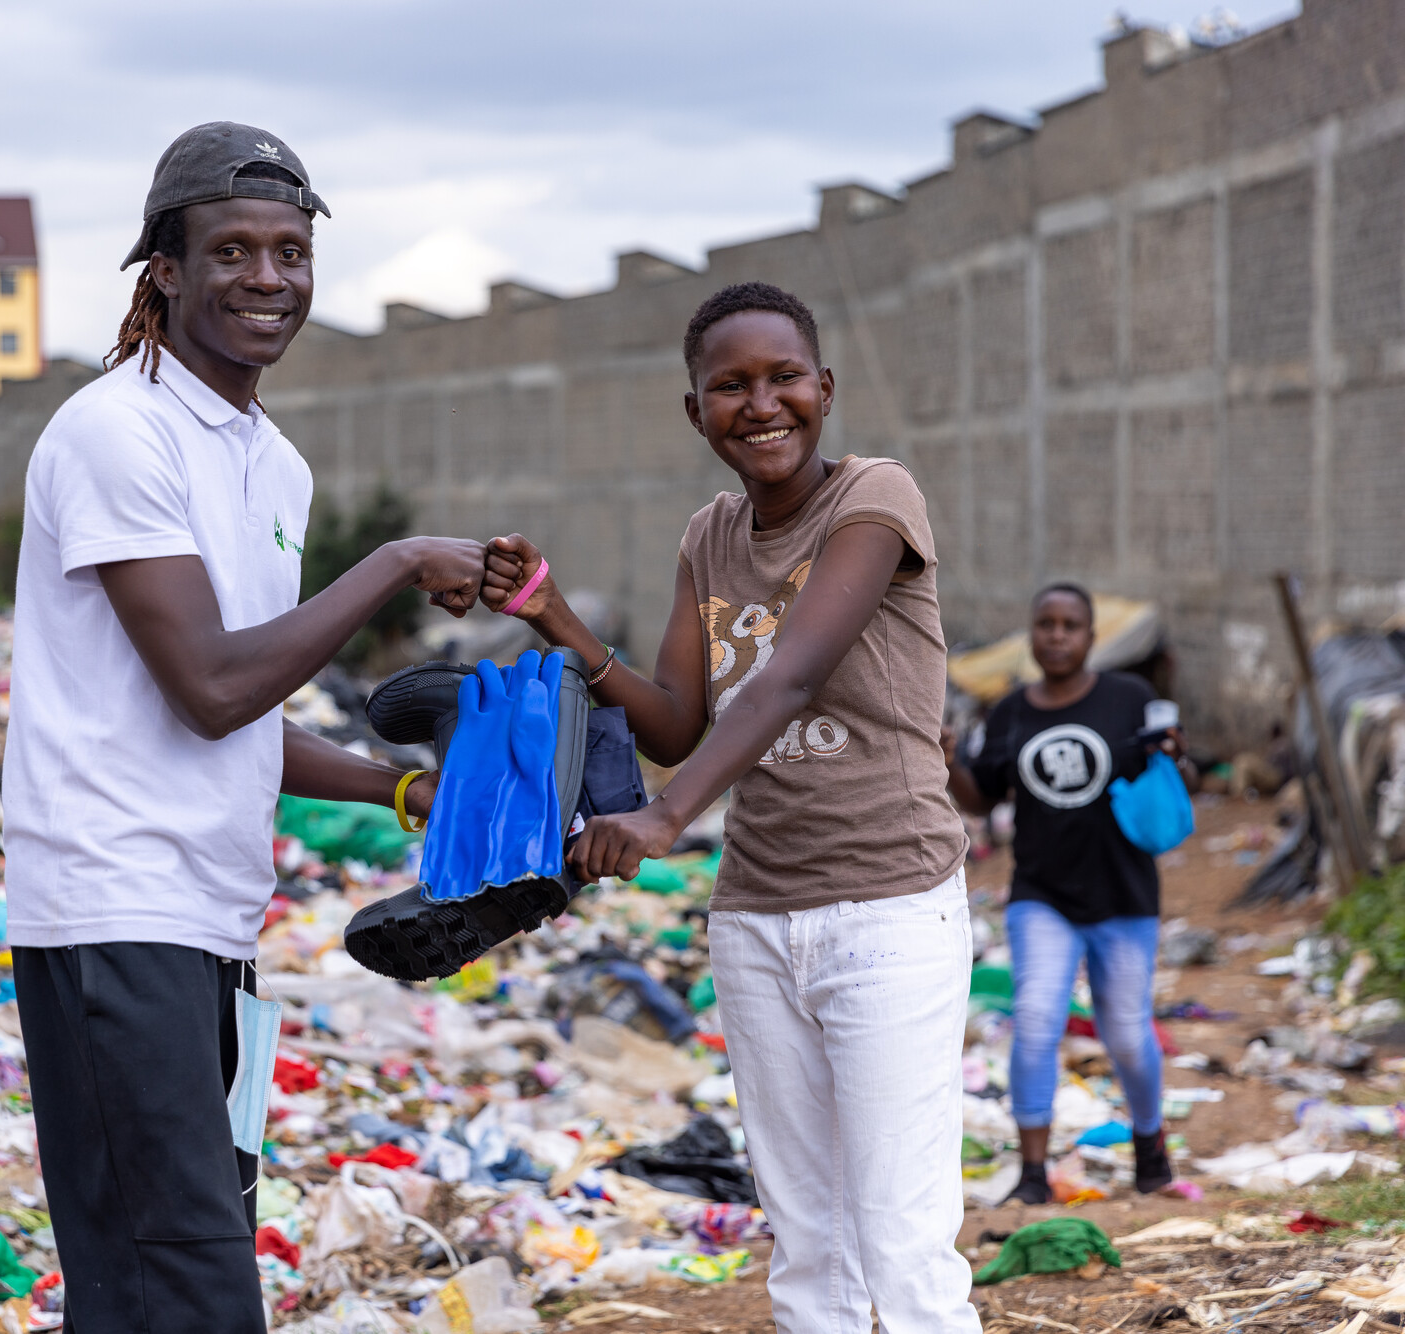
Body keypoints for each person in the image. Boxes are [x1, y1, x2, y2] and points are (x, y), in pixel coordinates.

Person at [2, 122, 487, 1333]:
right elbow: (210, 686)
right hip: (113, 909)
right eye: (232, 250)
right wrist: (395, 563)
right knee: (192, 1280)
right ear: (161, 269)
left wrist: (403, 791)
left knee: (148, 1278)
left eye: (290, 251)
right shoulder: (118, 433)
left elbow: (244, 715)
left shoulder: (275, 465)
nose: (268, 278)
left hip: (207, 922)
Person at [486, 282, 980, 1334]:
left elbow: (786, 677)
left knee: (899, 1240)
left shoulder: (873, 499)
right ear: (694, 410)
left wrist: (663, 819)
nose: (761, 404)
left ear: (824, 389)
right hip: (755, 918)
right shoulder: (708, 536)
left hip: (889, 909)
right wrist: (551, 614)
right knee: (807, 1244)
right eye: (729, 385)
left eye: (783, 378)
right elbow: (673, 719)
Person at [942, 583, 1196, 1203]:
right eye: (1046, 624)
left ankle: (1149, 1150)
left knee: (1128, 1034)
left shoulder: (1129, 699)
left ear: (1090, 636)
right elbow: (984, 798)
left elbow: (1175, 777)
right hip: (1041, 893)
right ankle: (1033, 1175)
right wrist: (947, 764)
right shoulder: (1010, 713)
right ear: (1032, 634)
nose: (1057, 635)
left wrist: (1176, 758)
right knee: (1033, 1021)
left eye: (1070, 625)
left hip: (1124, 892)